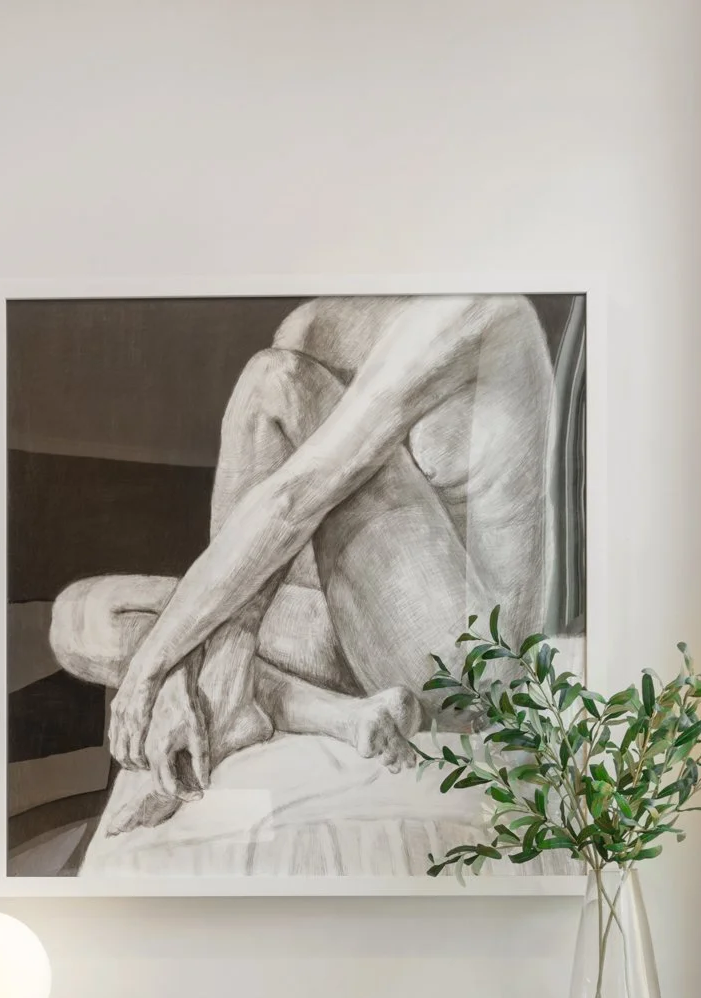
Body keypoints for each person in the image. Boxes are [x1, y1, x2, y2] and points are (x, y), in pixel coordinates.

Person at [50, 294, 556, 831]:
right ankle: (336, 715)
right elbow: (261, 539)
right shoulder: (313, 323)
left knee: (275, 381)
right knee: (79, 616)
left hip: (471, 666)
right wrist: (176, 666)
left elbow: (292, 502)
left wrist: (154, 668)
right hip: (362, 635)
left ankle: (223, 697)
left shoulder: (476, 311)